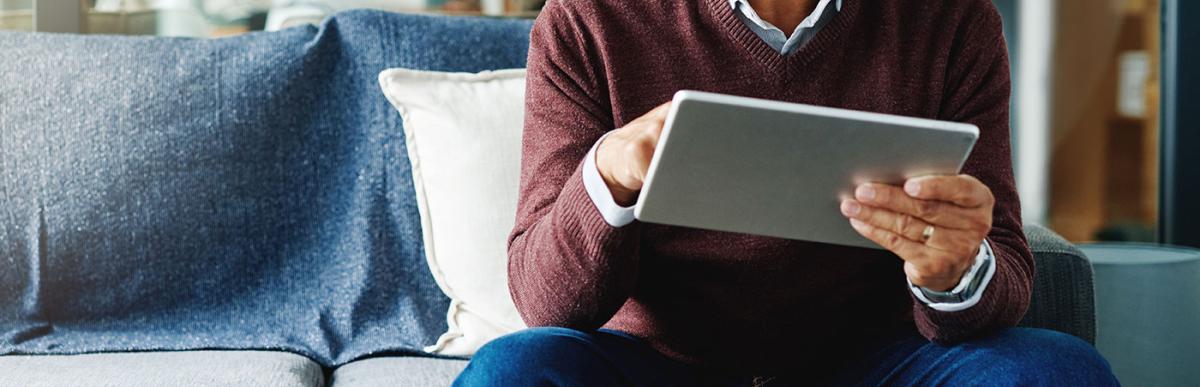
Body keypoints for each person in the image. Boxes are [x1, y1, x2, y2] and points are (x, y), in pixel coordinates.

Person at [456, 0, 1119, 385]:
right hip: (659, 362)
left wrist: (956, 271)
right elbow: (545, 301)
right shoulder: (586, 21)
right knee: (509, 373)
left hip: (875, 361)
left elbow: (1003, 271)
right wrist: (608, 176)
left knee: (1053, 371)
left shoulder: (949, 22)